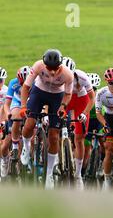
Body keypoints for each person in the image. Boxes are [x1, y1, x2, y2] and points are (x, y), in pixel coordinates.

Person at [20, 49, 74, 189]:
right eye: (49, 68)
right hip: (39, 92)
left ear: (60, 65)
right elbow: (26, 87)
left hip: (57, 96)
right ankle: (26, 147)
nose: (52, 72)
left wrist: (63, 106)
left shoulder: (68, 74)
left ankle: (49, 173)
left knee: (54, 136)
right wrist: (24, 107)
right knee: (30, 123)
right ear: (44, 64)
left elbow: (68, 95)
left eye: (55, 68)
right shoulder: (38, 65)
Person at [62, 56, 95, 190]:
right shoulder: (57, 76)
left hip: (81, 99)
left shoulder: (82, 77)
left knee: (79, 138)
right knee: (55, 126)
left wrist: (83, 113)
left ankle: (78, 175)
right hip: (65, 98)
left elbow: (92, 98)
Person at [1, 66, 30, 178]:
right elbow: (7, 104)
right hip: (17, 102)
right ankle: (13, 150)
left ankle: (31, 159)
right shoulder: (13, 83)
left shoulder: (36, 82)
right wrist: (9, 114)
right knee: (16, 117)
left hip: (29, 102)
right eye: (21, 83)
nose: (23, 85)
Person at [95, 68, 113, 189]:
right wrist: (105, 125)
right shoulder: (101, 93)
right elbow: (98, 113)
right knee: (109, 150)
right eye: (112, 83)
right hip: (109, 119)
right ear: (107, 82)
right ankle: (107, 179)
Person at [83, 72, 104, 177]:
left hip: (99, 120)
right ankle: (82, 171)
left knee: (103, 140)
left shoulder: (100, 96)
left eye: (94, 89)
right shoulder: (82, 98)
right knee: (86, 147)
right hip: (87, 121)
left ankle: (102, 163)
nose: (91, 92)